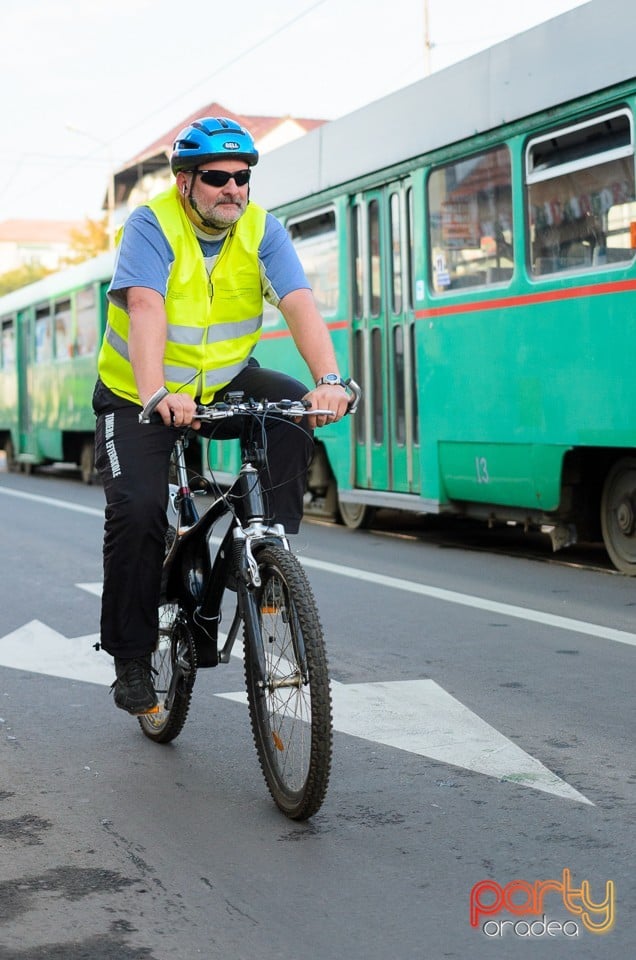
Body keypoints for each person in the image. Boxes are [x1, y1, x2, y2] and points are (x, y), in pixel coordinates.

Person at [93, 117, 350, 716]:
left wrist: (330, 382)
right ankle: (131, 659)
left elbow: (297, 302)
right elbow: (144, 304)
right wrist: (157, 393)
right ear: (186, 182)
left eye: (242, 177)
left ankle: (266, 551)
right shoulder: (152, 224)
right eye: (216, 177)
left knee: (291, 409)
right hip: (139, 393)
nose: (233, 188)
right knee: (137, 510)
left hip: (221, 380)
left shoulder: (262, 230)